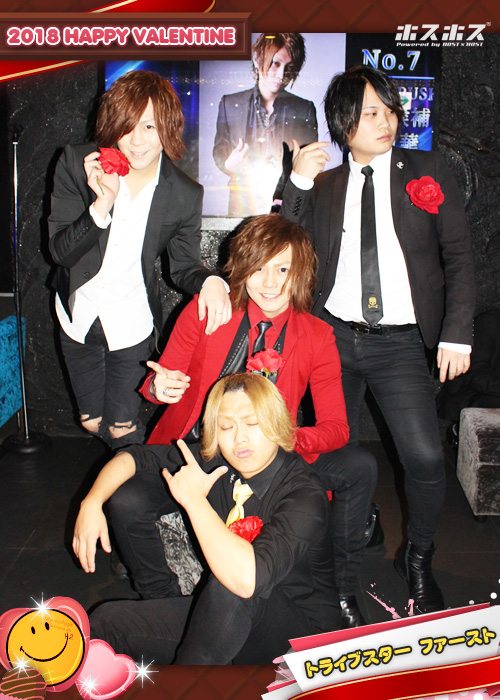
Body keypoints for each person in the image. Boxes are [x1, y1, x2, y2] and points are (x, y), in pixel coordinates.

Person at [74, 214, 377, 628]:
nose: (269, 283)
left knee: (360, 466)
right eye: (258, 268)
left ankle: (341, 589)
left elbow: (337, 428)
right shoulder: (208, 311)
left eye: (282, 269)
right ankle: (160, 599)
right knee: (128, 501)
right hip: (199, 449)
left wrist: (282, 439)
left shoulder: (317, 335)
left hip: (269, 455)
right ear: (242, 269)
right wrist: (158, 388)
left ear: (301, 273)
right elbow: (158, 380)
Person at [281, 65, 476, 615]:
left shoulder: (427, 170)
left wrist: (456, 333)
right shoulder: (325, 185)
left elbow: (459, 256)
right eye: (370, 113)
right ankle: (349, 554)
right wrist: (297, 182)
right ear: (344, 124)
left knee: (425, 458)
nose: (385, 121)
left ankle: (417, 557)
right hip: (334, 339)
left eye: (389, 110)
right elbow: (284, 241)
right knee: (337, 456)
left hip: (400, 344)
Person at [76, 373, 340, 664]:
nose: (239, 438)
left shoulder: (305, 493)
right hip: (229, 614)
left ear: (276, 422)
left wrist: (194, 500)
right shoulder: (219, 463)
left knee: (230, 586)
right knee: (106, 623)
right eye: (226, 427)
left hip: (302, 643)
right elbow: (137, 457)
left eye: (252, 423)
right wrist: (92, 502)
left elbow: (246, 581)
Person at [48, 70, 231, 449]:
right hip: (77, 316)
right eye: (127, 125)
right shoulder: (79, 163)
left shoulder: (184, 194)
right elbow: (60, 253)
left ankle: (141, 476)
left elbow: (183, 267)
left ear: (168, 127)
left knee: (121, 428)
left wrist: (212, 281)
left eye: (149, 126)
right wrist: (101, 205)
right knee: (90, 422)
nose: (136, 140)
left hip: (131, 322)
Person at [213, 33, 318, 216]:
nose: (281, 75)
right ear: (257, 58)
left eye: (289, 67)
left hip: (286, 209)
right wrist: (229, 164)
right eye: (275, 63)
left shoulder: (304, 109)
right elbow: (219, 150)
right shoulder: (229, 104)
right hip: (241, 207)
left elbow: (309, 165)